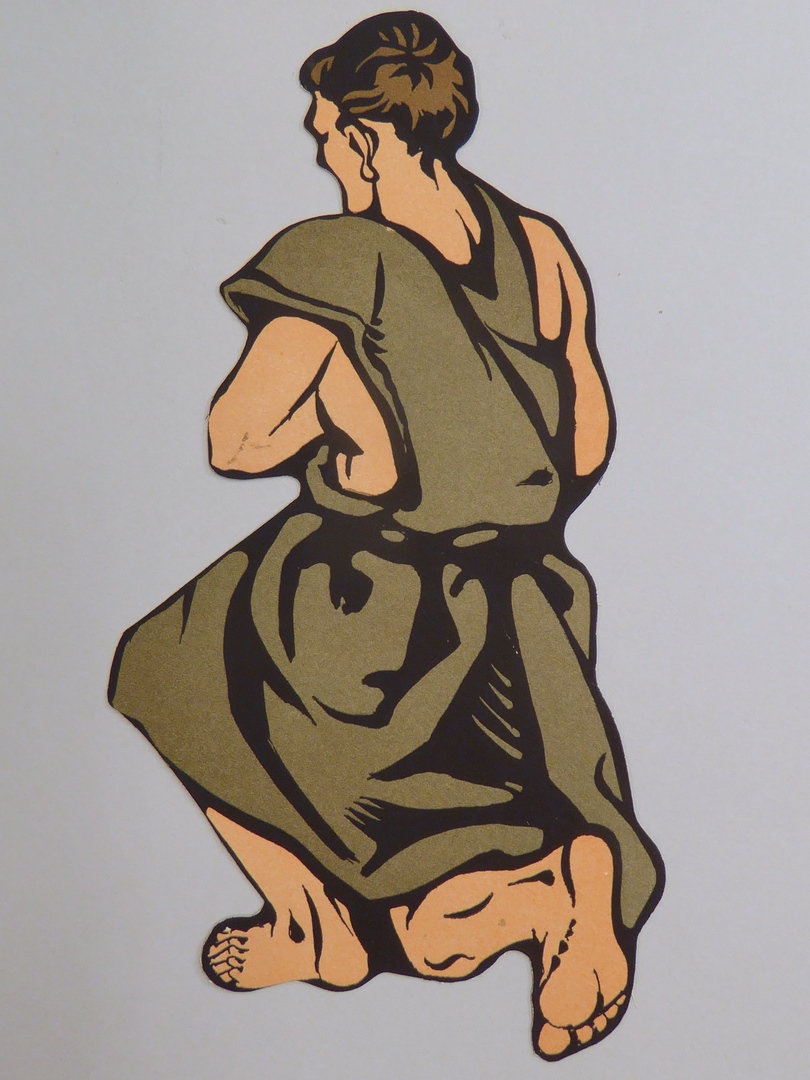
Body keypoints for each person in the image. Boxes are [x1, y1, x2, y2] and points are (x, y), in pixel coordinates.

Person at [109, 10, 663, 1060]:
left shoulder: (341, 259)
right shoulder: (538, 244)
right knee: (432, 919)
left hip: (373, 602)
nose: (320, 148)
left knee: (165, 665)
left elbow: (235, 440)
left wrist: (361, 431)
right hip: (531, 614)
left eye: (325, 129)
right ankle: (548, 893)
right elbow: (586, 443)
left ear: (368, 138)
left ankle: (311, 922)